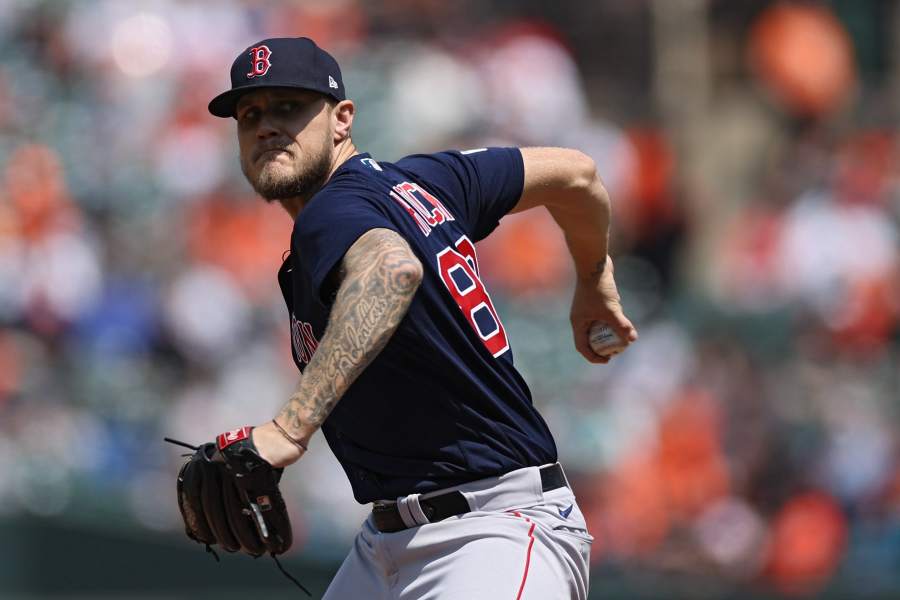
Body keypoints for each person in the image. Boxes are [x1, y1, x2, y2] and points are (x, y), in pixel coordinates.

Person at [207, 36, 638, 599]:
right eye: (250, 115)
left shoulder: (331, 212)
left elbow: (391, 270)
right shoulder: (425, 181)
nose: (266, 126)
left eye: (289, 107)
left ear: (342, 119)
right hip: (388, 541)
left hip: (488, 538)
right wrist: (592, 276)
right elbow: (577, 175)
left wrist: (288, 430)